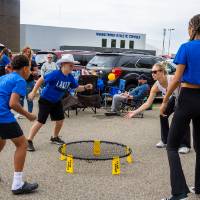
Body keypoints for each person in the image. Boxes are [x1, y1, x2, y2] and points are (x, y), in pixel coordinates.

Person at [160, 14, 200, 200]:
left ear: (193, 27)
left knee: (172, 145)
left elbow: (176, 79)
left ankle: (179, 193)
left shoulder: (186, 47)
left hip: (188, 97)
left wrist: (165, 100)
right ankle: (199, 187)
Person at [27, 54, 93, 151]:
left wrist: (85, 87)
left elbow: (76, 88)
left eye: (72, 65)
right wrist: (33, 92)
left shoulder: (70, 77)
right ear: (63, 64)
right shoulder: (55, 74)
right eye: (70, 65)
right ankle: (29, 141)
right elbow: (41, 79)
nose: (72, 67)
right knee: (40, 121)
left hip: (56, 101)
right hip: (45, 100)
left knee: (60, 120)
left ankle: (54, 137)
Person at [125, 62, 191, 154]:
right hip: (173, 97)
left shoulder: (172, 79)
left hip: (183, 97)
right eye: (152, 72)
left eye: (155, 72)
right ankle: (165, 140)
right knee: (162, 114)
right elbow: (148, 103)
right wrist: (134, 112)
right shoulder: (156, 86)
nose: (153, 74)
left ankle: (185, 145)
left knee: (181, 118)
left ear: (162, 72)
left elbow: (185, 87)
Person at [0, 55, 38, 194]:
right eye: (30, 68)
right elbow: (13, 103)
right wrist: (28, 115)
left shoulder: (4, 77)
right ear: (25, 68)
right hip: (2, 116)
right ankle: (17, 184)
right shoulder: (19, 80)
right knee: (22, 144)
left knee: (1, 141)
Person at [15, 47, 38, 119]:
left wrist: (30, 72)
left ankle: (29, 113)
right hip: (20, 82)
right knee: (20, 98)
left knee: (29, 98)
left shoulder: (32, 61)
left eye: (29, 52)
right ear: (23, 52)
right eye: (26, 52)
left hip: (29, 82)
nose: (27, 53)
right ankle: (20, 113)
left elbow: (36, 72)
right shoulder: (20, 62)